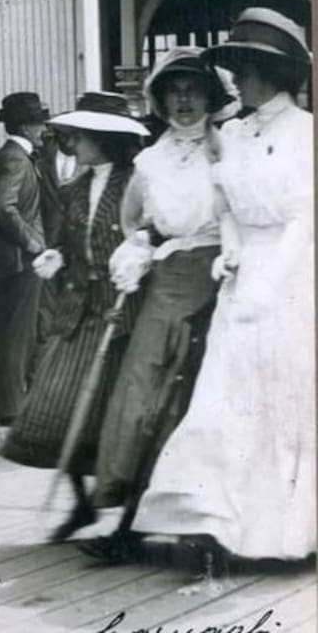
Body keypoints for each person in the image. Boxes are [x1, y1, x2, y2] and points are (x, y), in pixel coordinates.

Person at [132, 8, 315, 564]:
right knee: (224, 398)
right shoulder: (232, 133)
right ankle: (217, 523)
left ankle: (282, 530)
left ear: (273, 72)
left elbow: (305, 219)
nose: (236, 79)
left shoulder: (305, 134)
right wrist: (232, 250)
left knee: (282, 400)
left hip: (292, 278)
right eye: (233, 67)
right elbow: (225, 203)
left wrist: (271, 282)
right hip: (242, 278)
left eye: (246, 68)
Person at [80, 48, 226, 562]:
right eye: (174, 91)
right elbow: (135, 220)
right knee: (143, 398)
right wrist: (139, 246)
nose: (184, 101)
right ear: (161, 99)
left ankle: (205, 528)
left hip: (221, 277)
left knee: (201, 401)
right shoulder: (149, 160)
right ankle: (130, 522)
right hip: (166, 284)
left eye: (193, 90)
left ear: (210, 96)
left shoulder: (228, 149)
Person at [0, 92, 148, 543]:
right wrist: (57, 256)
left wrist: (138, 252)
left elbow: (153, 231)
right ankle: (82, 505)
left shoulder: (137, 183)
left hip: (123, 313)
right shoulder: (74, 190)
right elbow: (67, 239)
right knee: (54, 408)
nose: (72, 141)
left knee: (121, 420)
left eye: (80, 135)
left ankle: (130, 521)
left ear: (104, 139)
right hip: (79, 312)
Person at [0, 91, 50, 425]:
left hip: (7, 260)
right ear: (25, 125)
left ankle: (5, 404)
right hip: (18, 261)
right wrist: (33, 241)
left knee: (9, 334)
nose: (43, 128)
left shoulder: (13, 156)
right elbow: (2, 206)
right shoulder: (16, 158)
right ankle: (10, 407)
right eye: (38, 122)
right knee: (17, 336)